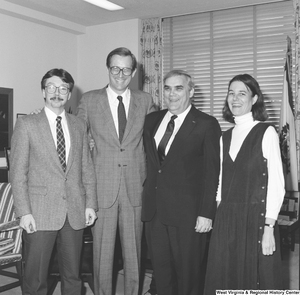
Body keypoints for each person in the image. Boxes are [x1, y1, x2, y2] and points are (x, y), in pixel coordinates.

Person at [10, 68, 98, 294]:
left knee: (72, 276)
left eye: (63, 88)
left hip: (75, 211)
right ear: (43, 91)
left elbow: (86, 167)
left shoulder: (79, 125)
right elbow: (18, 173)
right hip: (39, 213)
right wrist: (24, 212)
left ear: (69, 94)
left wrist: (90, 204)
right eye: (51, 87)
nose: (56, 92)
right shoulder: (27, 125)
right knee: (36, 278)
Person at [76, 47, 155, 295]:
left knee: (134, 256)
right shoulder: (89, 100)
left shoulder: (145, 100)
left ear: (133, 72)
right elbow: (76, 135)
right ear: (108, 69)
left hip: (135, 188)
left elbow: (156, 140)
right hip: (102, 187)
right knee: (102, 256)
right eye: (115, 68)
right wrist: (43, 115)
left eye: (126, 69)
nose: (120, 74)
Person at [142, 69, 221, 295]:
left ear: (191, 92)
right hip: (154, 213)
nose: (172, 94)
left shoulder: (207, 124)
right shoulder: (151, 121)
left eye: (179, 88)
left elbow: (212, 173)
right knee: (161, 274)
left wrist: (207, 213)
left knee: (188, 277)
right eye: (167, 88)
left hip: (188, 215)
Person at [204, 74, 285, 292]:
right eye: (231, 93)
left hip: (255, 220)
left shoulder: (266, 132)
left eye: (242, 93)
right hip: (227, 219)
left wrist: (269, 227)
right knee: (224, 277)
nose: (235, 98)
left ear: (255, 99)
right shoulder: (225, 137)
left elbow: (277, 184)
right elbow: (221, 182)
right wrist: (218, 217)